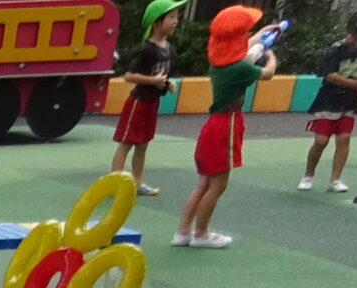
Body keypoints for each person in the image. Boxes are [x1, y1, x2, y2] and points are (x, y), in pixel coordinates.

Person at [176, 6, 277, 247]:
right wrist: (270, 54)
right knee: (218, 184)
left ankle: (183, 232)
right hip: (227, 125)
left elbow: (240, 48)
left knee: (204, 182)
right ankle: (201, 233)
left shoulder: (219, 62)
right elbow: (268, 73)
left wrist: (261, 35)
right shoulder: (240, 68)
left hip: (213, 125)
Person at [112, 0, 184, 196]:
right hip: (139, 103)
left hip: (153, 103)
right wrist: (154, 81)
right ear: (156, 22)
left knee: (143, 145)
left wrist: (166, 84)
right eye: (171, 17)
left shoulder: (167, 47)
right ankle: (115, 182)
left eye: (176, 17)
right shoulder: (147, 49)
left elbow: (160, 75)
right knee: (126, 143)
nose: (175, 21)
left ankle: (137, 182)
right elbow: (129, 76)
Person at [302, 11, 357, 192]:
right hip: (329, 100)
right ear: (349, 31)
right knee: (321, 141)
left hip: (350, 101)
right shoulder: (337, 49)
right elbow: (329, 75)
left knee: (344, 139)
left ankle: (335, 179)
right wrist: (355, 83)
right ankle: (308, 175)